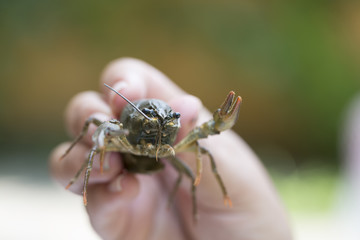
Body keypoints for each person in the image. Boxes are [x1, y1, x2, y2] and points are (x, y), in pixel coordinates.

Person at [49, 58, 292, 240]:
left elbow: (203, 145)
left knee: (203, 151)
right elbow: (99, 129)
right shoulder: (121, 127)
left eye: (167, 120)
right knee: (95, 123)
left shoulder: (180, 133)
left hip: (160, 163)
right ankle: (79, 165)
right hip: (125, 153)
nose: (158, 123)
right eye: (149, 119)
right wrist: (97, 145)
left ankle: (197, 202)